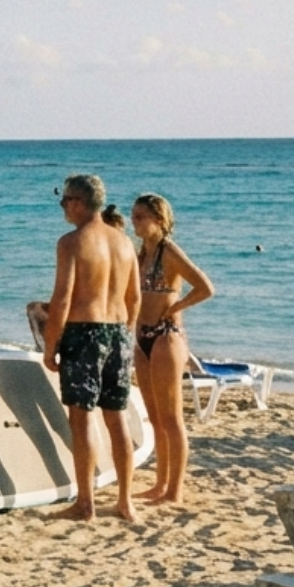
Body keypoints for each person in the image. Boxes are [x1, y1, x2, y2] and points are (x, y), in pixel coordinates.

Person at [40, 173, 141, 522]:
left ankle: (86, 504)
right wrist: (126, 336)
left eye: (65, 200)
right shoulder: (124, 242)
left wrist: (50, 346)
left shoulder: (72, 242)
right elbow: (135, 299)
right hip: (118, 333)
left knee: (82, 420)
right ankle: (125, 502)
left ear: (79, 202)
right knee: (117, 419)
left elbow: (63, 298)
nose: (62, 206)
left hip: (85, 334)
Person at [130, 192, 215, 506]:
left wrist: (176, 305)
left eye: (140, 216)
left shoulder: (169, 252)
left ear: (159, 219)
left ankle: (174, 490)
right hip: (142, 337)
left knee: (171, 418)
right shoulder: (141, 255)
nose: (134, 222)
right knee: (154, 416)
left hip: (167, 336)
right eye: (133, 216)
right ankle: (159, 483)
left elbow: (205, 287)